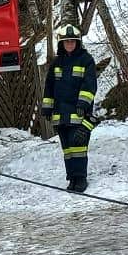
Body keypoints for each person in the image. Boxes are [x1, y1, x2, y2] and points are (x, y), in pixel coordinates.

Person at [40, 23, 99, 193]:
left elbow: (89, 85)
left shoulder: (86, 60)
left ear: (78, 42)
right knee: (67, 148)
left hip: (78, 112)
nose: (70, 44)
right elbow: (49, 86)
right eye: (67, 42)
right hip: (60, 114)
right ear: (61, 43)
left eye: (73, 41)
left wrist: (83, 104)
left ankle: (80, 178)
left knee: (78, 145)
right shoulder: (57, 63)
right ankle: (72, 178)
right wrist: (47, 107)